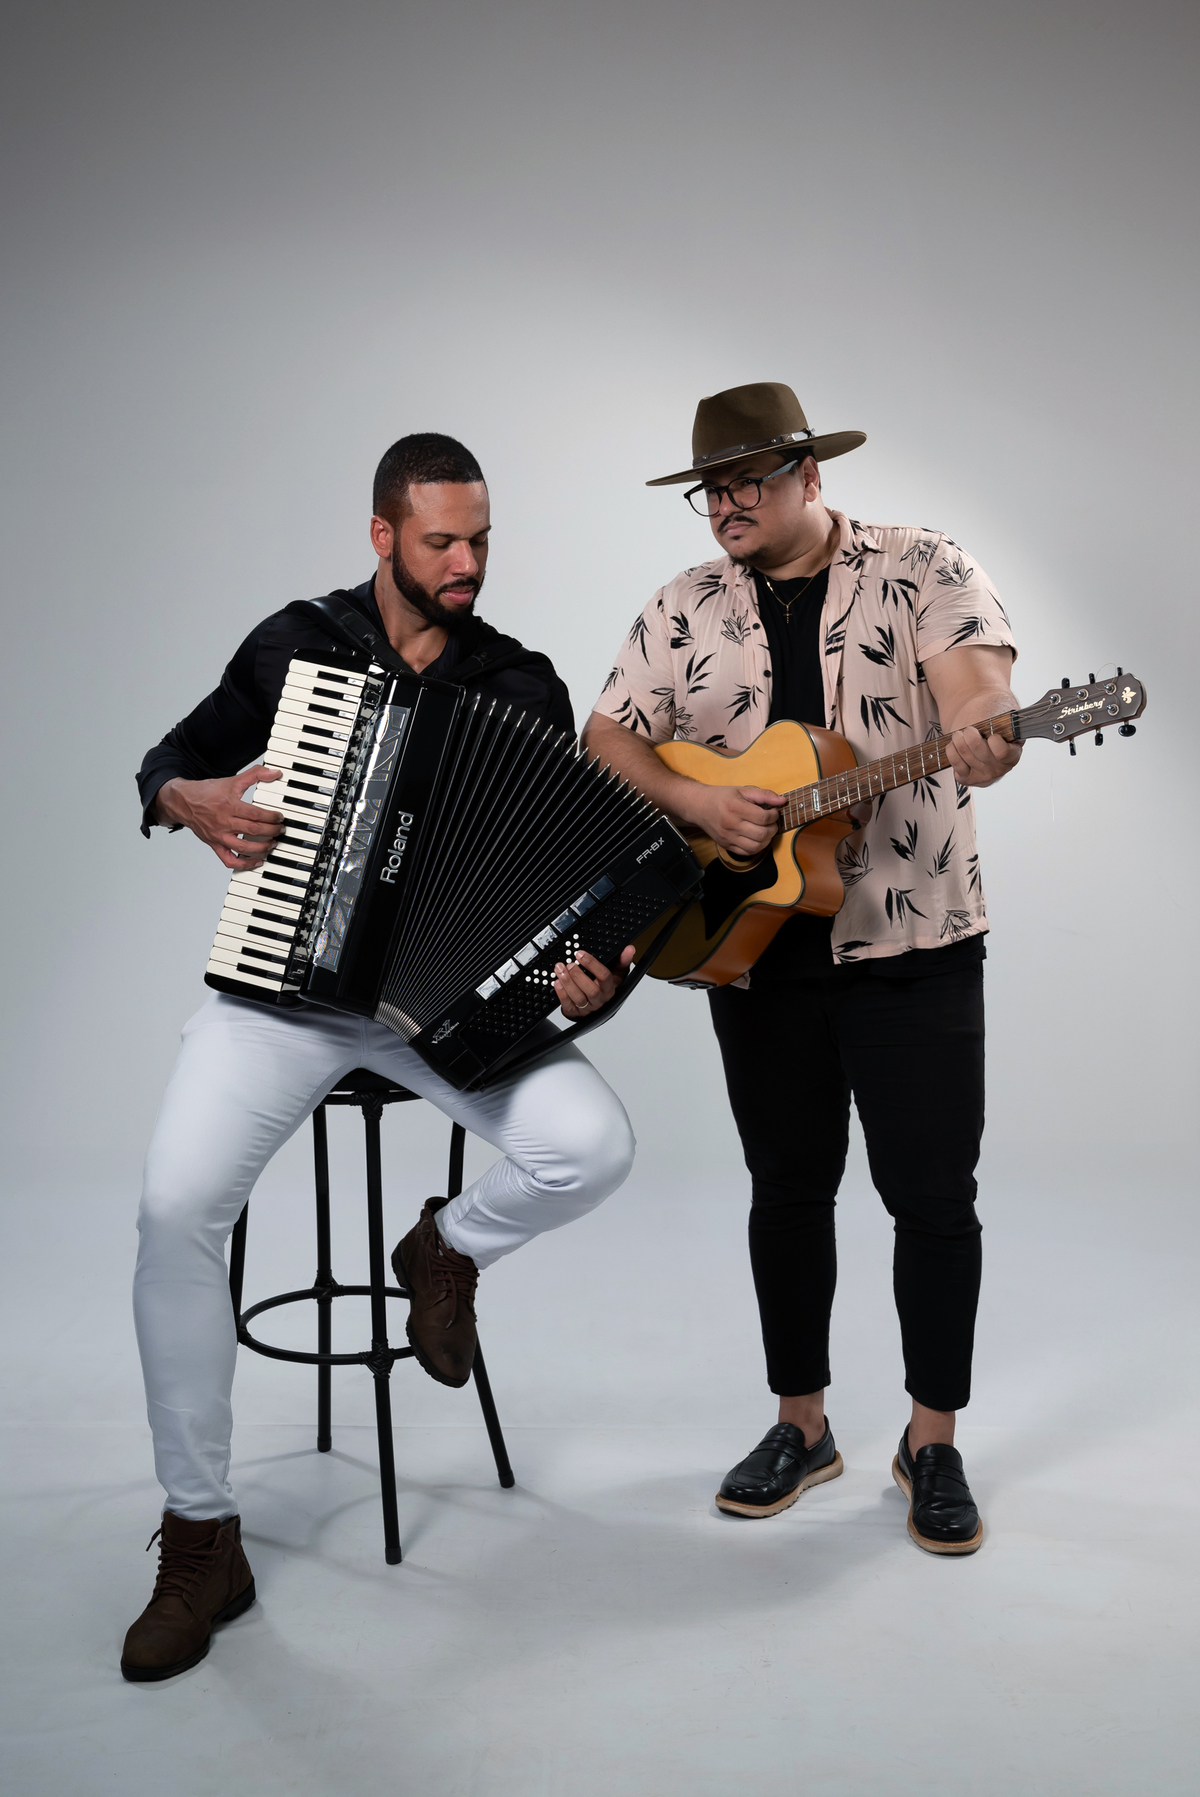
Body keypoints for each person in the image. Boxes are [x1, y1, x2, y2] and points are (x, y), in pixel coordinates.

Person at [125, 433, 636, 1681]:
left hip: (444, 1016)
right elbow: (165, 764)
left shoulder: (519, 685)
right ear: (382, 537)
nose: (466, 564)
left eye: (480, 541)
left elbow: (564, 891)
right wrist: (192, 802)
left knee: (593, 1149)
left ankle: (446, 1247)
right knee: (176, 1210)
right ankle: (201, 1535)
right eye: (440, 542)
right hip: (285, 996)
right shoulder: (293, 646)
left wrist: (591, 977)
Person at [584, 383, 1021, 1556]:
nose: (726, 505)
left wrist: (988, 728)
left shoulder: (924, 564)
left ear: (810, 476)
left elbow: (978, 685)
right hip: (757, 945)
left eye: (748, 483)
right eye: (710, 490)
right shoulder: (683, 605)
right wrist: (696, 804)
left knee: (933, 1198)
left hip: (916, 942)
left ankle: (932, 1441)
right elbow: (608, 735)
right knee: (786, 1190)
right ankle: (802, 1425)